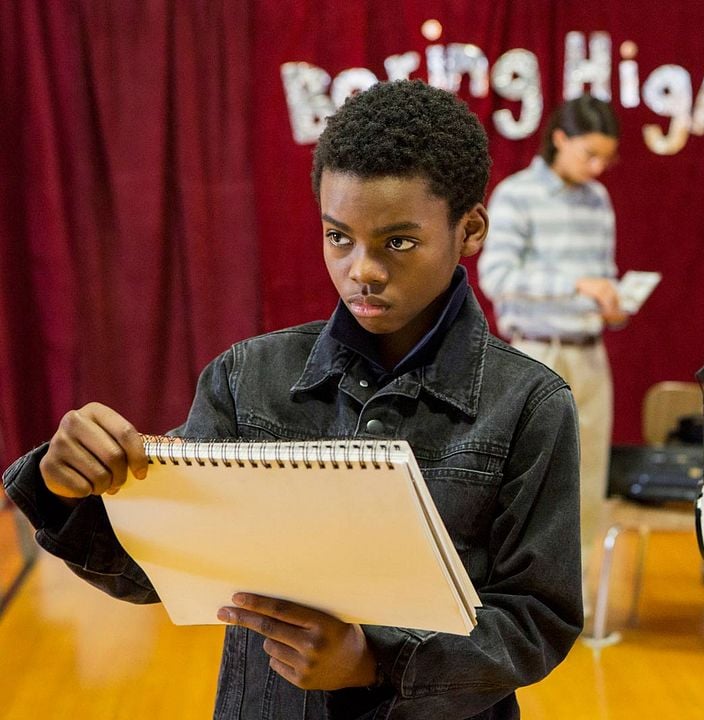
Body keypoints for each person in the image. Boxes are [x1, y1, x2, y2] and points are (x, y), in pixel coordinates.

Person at [2, 80, 582, 720]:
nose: (363, 268)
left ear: (470, 229)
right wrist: (66, 490)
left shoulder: (531, 403)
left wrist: (375, 660)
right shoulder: (246, 378)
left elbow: (537, 619)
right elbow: (159, 571)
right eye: (339, 237)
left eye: (398, 241)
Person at [477, 95, 624, 587]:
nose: (599, 166)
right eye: (590, 154)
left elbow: (603, 277)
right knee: (533, 478)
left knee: (589, 479)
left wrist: (612, 302)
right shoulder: (517, 195)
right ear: (560, 139)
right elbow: (496, 275)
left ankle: (574, 599)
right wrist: (574, 285)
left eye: (607, 157)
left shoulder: (598, 200)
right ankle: (521, 593)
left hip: (589, 351)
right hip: (536, 352)